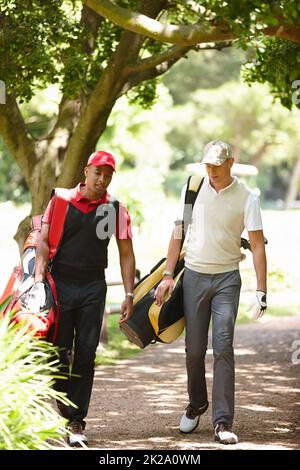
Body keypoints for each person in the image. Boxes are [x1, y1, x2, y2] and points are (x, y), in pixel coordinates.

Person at [155, 140, 267, 444]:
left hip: (227, 280)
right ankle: (196, 404)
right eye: (208, 165)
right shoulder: (192, 188)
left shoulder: (247, 197)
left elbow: (257, 245)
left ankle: (222, 421)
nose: (212, 170)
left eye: (218, 165)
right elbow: (178, 232)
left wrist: (261, 290)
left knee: (223, 347)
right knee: (193, 350)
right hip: (193, 277)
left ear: (231, 162)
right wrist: (167, 275)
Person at [30, 150, 136, 447]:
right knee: (58, 352)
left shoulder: (114, 209)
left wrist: (128, 294)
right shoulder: (61, 201)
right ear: (86, 171)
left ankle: (76, 420)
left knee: (87, 353)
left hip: (93, 286)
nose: (102, 179)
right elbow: (44, 243)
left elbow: (126, 253)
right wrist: (39, 282)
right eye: (97, 173)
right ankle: (65, 407)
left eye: (108, 175)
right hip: (60, 283)